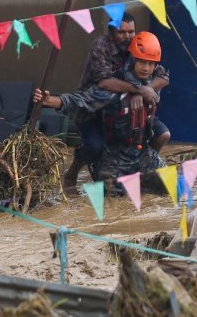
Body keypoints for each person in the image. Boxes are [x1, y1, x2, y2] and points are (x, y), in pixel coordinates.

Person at [34, 31, 169, 194]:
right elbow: (80, 100)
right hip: (113, 156)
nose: (146, 68)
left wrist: (142, 92)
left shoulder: (153, 82)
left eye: (150, 64)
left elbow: (164, 76)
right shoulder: (115, 86)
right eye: (142, 62)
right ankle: (77, 173)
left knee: (168, 186)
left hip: (141, 152)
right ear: (132, 59)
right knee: (117, 198)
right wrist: (50, 101)